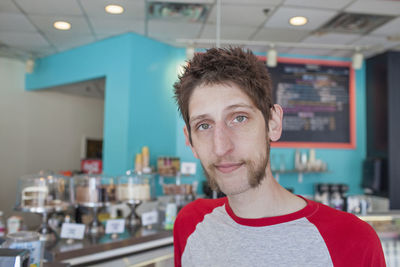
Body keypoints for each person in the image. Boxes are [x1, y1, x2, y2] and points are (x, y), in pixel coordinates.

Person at [172, 47, 385, 267]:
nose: (221, 147)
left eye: (239, 118)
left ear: (273, 123)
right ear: (190, 141)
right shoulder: (190, 224)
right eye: (204, 125)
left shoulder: (353, 240)